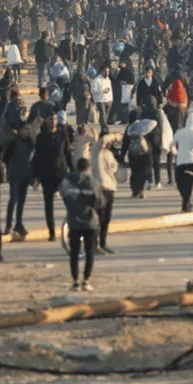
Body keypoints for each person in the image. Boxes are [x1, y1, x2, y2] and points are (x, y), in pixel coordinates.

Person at [60, 157, 105, 291]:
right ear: (88, 168)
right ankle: (86, 280)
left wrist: (72, 206)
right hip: (89, 222)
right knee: (89, 252)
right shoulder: (92, 182)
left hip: (73, 221)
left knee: (74, 253)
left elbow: (62, 193)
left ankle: (75, 281)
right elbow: (100, 202)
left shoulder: (67, 181)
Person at [32, 113, 72, 240]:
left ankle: (72, 229)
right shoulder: (41, 137)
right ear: (46, 121)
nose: (53, 121)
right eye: (51, 119)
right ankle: (52, 233)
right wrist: (36, 177)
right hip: (47, 175)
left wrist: (75, 173)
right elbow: (37, 158)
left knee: (70, 204)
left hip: (62, 175)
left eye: (55, 119)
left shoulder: (63, 134)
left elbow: (68, 154)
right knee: (48, 207)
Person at [90, 133, 120, 255]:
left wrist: (114, 168)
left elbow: (115, 167)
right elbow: (103, 140)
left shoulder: (109, 154)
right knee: (98, 218)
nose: (109, 143)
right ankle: (94, 245)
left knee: (106, 219)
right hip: (100, 188)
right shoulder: (96, 151)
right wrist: (116, 135)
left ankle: (103, 243)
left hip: (110, 188)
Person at [4, 126, 35, 238]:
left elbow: (33, 157)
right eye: (23, 130)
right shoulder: (13, 142)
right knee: (13, 199)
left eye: (27, 130)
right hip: (15, 175)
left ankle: (19, 224)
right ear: (19, 131)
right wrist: (10, 168)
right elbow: (5, 157)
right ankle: (8, 225)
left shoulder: (30, 143)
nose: (26, 132)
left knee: (21, 201)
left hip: (25, 175)